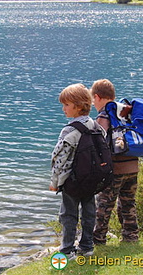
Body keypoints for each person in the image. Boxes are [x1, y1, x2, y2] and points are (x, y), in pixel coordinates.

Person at [50, 83, 99, 258]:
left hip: (72, 180)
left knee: (68, 214)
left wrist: (55, 182)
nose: (63, 109)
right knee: (89, 212)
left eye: (66, 105)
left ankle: (67, 249)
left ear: (78, 106)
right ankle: (87, 246)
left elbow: (59, 159)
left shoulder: (69, 130)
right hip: (91, 179)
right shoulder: (95, 125)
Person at [91, 79, 140, 244]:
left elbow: (99, 143)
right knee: (128, 203)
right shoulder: (125, 112)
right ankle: (131, 236)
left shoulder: (105, 115)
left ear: (97, 97)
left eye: (93, 100)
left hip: (115, 169)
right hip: (133, 165)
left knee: (104, 205)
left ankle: (98, 239)